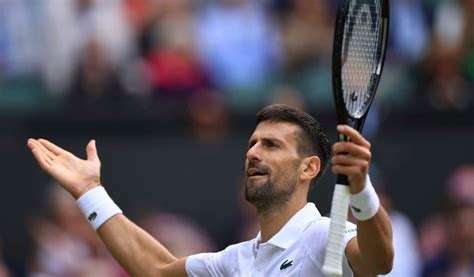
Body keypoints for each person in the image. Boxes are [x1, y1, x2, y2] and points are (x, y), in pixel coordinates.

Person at [26, 104, 393, 276]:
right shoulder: (235, 261)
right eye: (252, 143)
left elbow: (379, 259)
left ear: (308, 168)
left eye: (271, 145)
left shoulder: (322, 237)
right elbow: (157, 268)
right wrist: (90, 192)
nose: (252, 152)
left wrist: (360, 189)